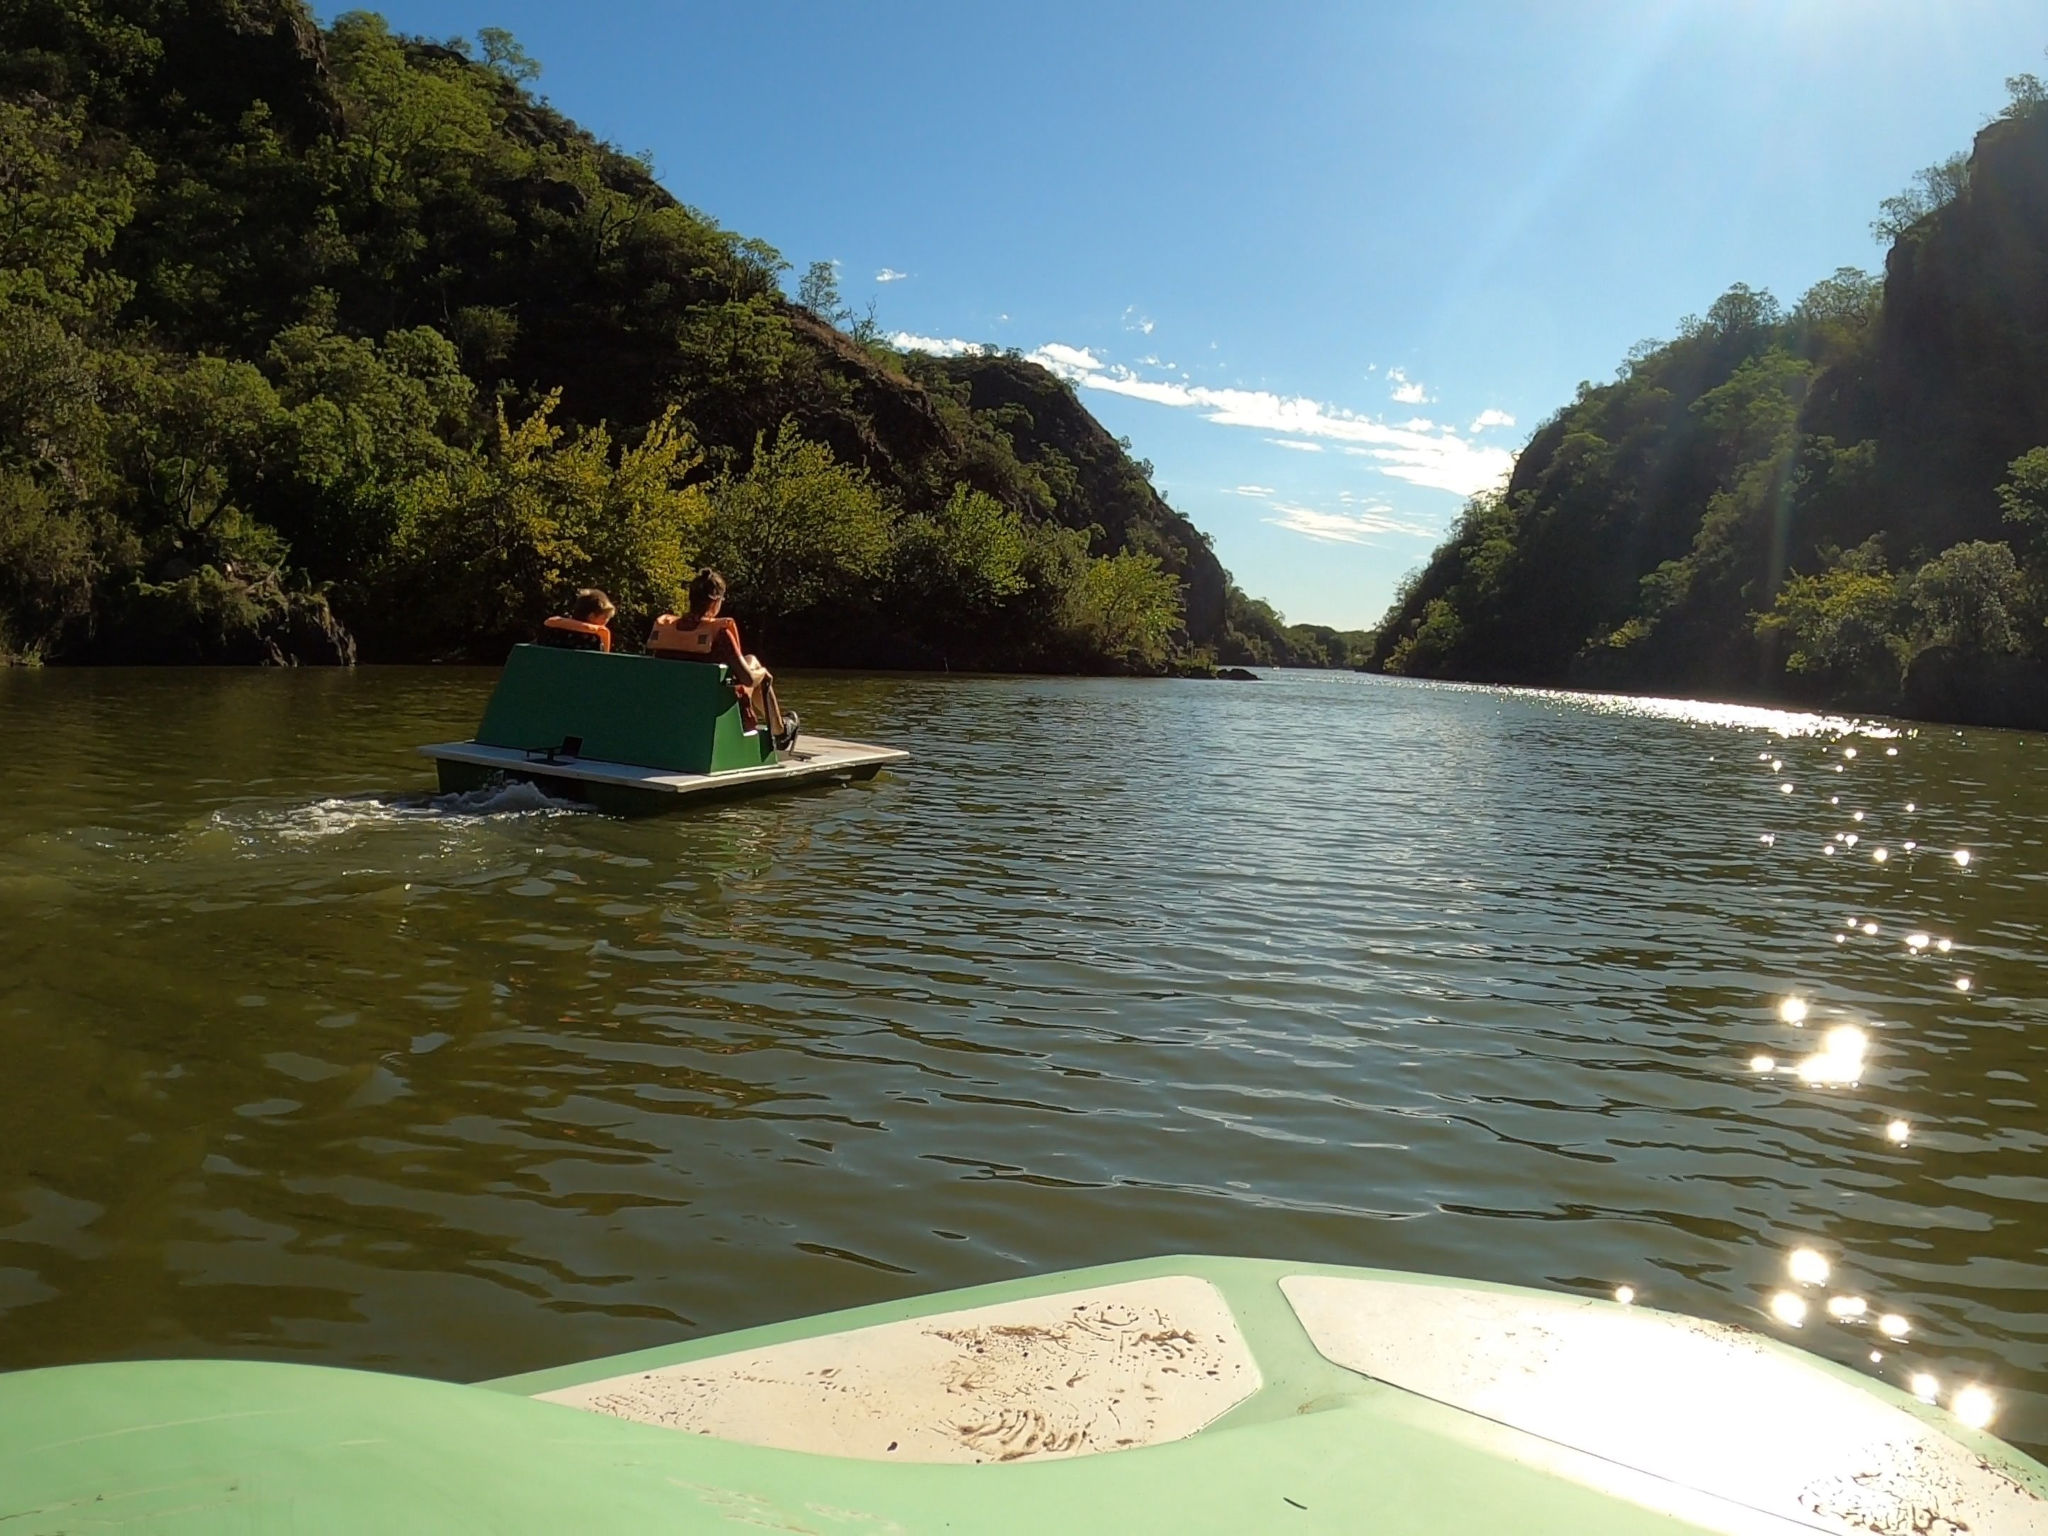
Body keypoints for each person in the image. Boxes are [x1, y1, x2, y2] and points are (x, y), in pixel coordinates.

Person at [647, 570, 800, 750]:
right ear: (715, 601)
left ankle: (779, 729)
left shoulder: (665, 631)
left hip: (673, 709)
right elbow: (748, 679)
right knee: (757, 669)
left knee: (750, 660)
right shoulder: (720, 634)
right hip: (714, 712)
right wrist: (763, 674)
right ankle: (779, 731)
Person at [539, 589, 615, 652]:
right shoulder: (593, 638)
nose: (606, 621)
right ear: (591, 616)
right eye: (605, 617)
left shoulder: (559, 627)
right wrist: (598, 631)